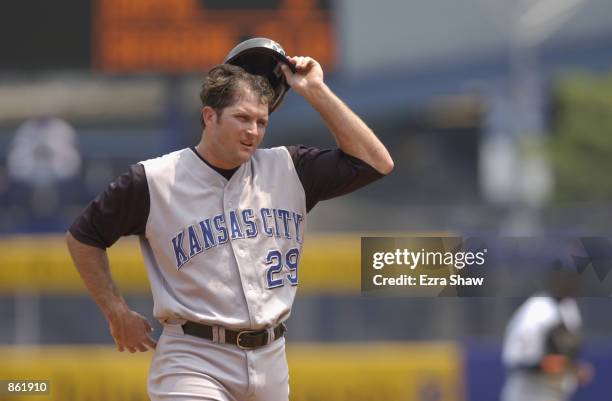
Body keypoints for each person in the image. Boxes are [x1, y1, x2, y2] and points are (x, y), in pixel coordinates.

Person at [66, 41, 393, 401]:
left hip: (271, 358)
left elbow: (376, 163)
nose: (253, 131)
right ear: (210, 116)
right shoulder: (153, 180)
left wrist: (316, 91)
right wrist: (116, 311)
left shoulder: (289, 169)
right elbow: (84, 237)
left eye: (261, 121)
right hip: (193, 358)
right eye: (242, 118)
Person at [500, 270, 594, 401]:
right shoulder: (536, 310)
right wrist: (547, 365)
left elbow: (567, 353)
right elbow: (517, 360)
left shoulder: (569, 307)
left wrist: (573, 368)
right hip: (528, 393)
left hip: (555, 392)